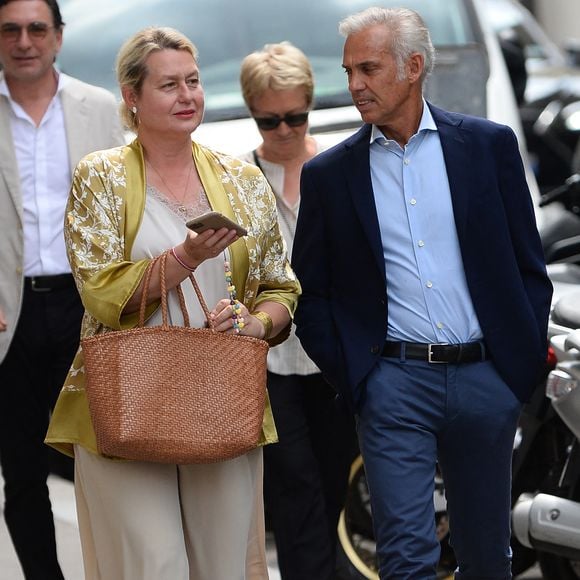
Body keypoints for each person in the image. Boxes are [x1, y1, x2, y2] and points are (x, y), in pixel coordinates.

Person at [292, 7, 553, 580]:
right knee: (406, 559)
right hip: (394, 386)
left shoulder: (487, 147)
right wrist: (360, 378)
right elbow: (311, 295)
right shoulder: (330, 175)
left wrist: (518, 370)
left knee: (487, 558)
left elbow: (528, 267)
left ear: (413, 67)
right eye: (349, 70)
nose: (354, 84)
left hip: (488, 379)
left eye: (368, 68)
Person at [44, 26, 300, 580]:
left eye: (193, 81)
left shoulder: (241, 179)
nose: (187, 96)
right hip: (128, 397)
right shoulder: (100, 176)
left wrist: (254, 324)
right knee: (152, 564)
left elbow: (281, 287)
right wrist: (184, 257)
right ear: (132, 97)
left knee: (224, 565)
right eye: (168, 85)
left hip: (220, 393)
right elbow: (101, 293)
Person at [0, 0, 124, 577]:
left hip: (87, 307)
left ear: (58, 37)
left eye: (36, 28)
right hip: (9, 315)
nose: (24, 41)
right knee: (22, 471)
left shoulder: (100, 110)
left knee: (103, 464)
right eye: (10, 29)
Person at [239, 42, 357, 580]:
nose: (284, 130)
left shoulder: (341, 166)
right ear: (252, 112)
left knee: (340, 483)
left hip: (336, 355)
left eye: (295, 116)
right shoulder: (237, 179)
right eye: (270, 120)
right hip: (268, 363)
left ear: (310, 104)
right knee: (294, 485)